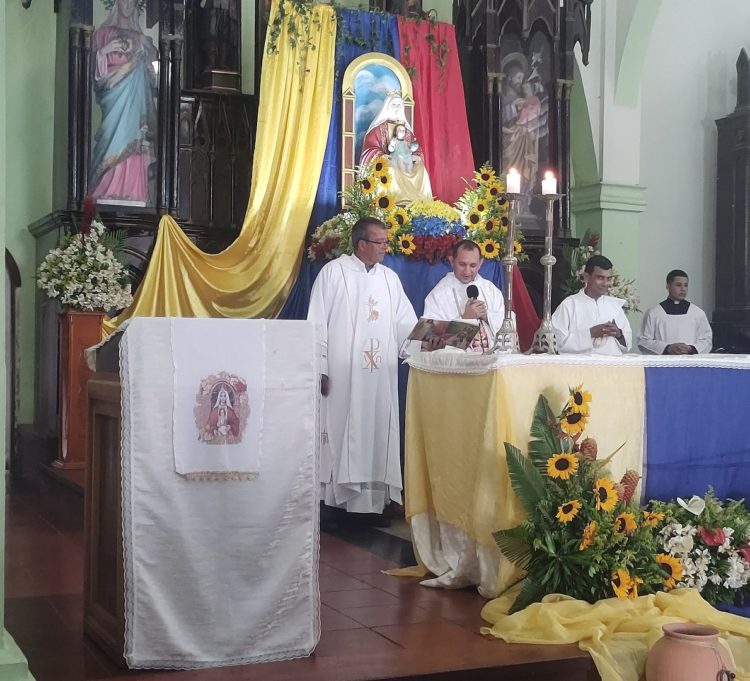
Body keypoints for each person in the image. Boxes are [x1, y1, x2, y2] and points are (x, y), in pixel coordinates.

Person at [307, 217, 417, 521]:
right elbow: (316, 322)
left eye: (385, 242)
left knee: (379, 429)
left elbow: (405, 324)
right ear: (362, 244)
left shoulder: (389, 279)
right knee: (343, 427)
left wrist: (423, 342)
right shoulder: (333, 273)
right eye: (379, 242)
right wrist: (321, 365)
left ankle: (374, 502)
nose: (385, 247)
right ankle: (335, 504)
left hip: (380, 375)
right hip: (342, 377)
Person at [90, 0, 158, 207]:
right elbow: (92, 72)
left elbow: (155, 70)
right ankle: (106, 187)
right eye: (125, 0)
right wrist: (104, 51)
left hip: (136, 103)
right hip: (113, 99)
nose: (129, 5)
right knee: (112, 137)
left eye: (134, 1)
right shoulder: (102, 33)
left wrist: (148, 60)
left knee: (136, 140)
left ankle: (133, 191)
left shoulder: (142, 39)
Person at [423, 239, 505, 352]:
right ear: (452, 261)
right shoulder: (439, 294)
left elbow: (508, 327)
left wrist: (486, 316)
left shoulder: (490, 290)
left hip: (490, 362)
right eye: (462, 264)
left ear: (480, 264)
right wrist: (466, 319)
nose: (467, 271)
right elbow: (428, 339)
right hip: (455, 365)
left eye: (473, 265)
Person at [359, 92, 432, 203]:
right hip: (388, 165)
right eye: (394, 105)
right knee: (391, 170)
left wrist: (416, 156)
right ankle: (396, 201)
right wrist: (381, 155)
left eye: (399, 105)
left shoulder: (406, 130)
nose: (397, 108)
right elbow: (369, 148)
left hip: (406, 164)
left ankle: (418, 203)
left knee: (420, 169)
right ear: (387, 107)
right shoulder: (377, 129)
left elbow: (415, 147)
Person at [551, 254, 632, 356]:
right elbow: (556, 342)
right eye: (600, 278)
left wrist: (619, 334)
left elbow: (627, 344)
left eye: (608, 279)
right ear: (586, 277)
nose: (605, 283)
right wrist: (590, 333)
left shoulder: (614, 306)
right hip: (579, 368)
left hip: (611, 368)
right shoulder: (569, 304)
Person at [637, 269, 713, 355]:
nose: (683, 289)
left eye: (686, 285)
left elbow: (706, 340)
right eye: (678, 285)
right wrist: (667, 348)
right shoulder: (654, 313)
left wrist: (690, 349)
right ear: (668, 286)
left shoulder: (697, 313)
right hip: (664, 363)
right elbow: (643, 341)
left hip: (690, 363)